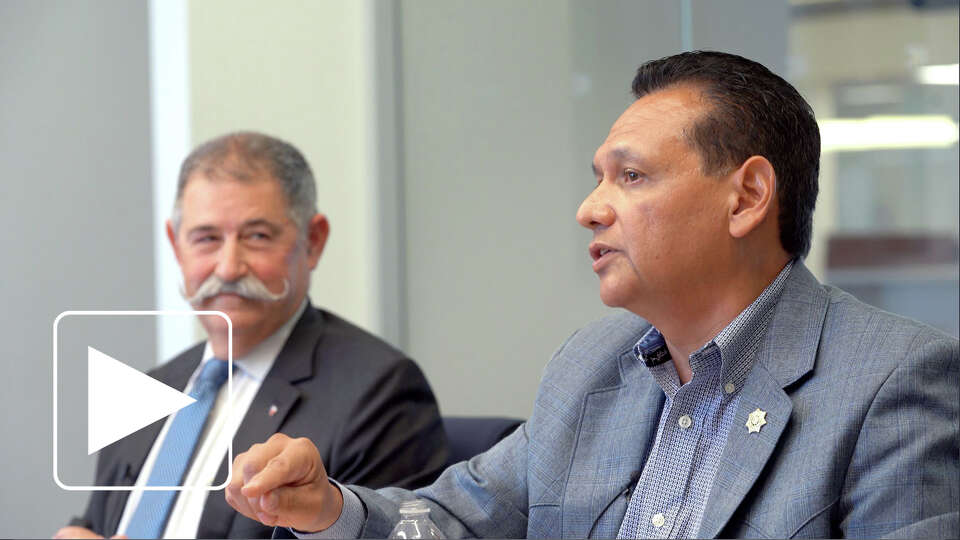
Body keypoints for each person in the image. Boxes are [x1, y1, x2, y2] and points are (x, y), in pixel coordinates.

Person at [223, 52, 960, 539]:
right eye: (598, 177)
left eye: (631, 177)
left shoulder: (893, 381)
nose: (590, 208)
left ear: (748, 197)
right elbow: (455, 520)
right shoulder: (591, 366)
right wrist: (331, 508)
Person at [54, 132, 448, 539]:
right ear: (176, 245)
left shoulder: (379, 392)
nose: (227, 267)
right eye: (206, 238)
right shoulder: (147, 390)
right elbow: (101, 523)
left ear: (312, 242)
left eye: (257, 236)